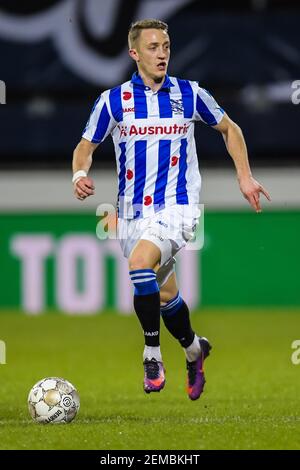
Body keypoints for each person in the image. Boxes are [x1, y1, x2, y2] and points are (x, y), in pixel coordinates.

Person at [72, 19, 270, 400]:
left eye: (165, 46)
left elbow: (231, 129)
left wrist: (244, 177)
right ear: (134, 53)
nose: (161, 53)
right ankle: (195, 350)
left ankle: (151, 355)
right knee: (163, 296)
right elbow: (85, 146)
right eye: (152, 47)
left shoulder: (190, 94)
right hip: (131, 214)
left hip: (178, 208)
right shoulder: (113, 101)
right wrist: (79, 173)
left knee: (139, 265)